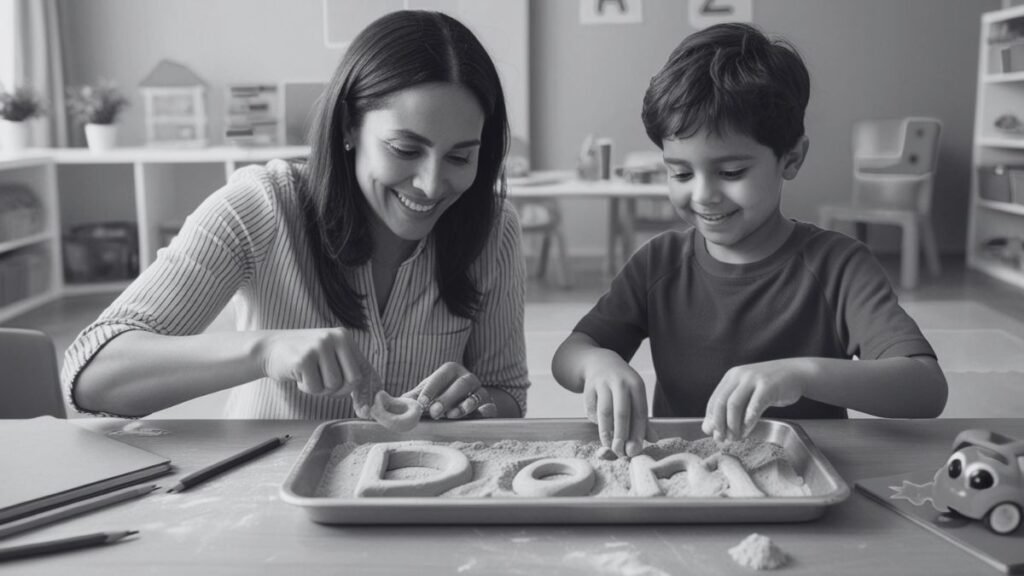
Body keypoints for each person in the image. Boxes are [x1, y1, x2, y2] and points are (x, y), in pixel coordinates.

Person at [62, 10, 529, 421]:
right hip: (264, 490)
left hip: (417, 502)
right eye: (405, 149)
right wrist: (266, 350)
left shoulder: (493, 229)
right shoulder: (262, 207)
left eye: (460, 158)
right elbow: (90, 377)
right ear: (349, 125)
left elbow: (507, 395)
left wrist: (473, 404)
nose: (430, 184)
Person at [551, 23, 947, 458]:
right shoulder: (658, 263)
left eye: (731, 172)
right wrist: (598, 364)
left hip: (800, 476)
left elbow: (925, 388)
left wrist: (802, 374)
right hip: (684, 476)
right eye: (680, 173)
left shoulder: (839, 266)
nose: (702, 194)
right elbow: (570, 353)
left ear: (791, 158)